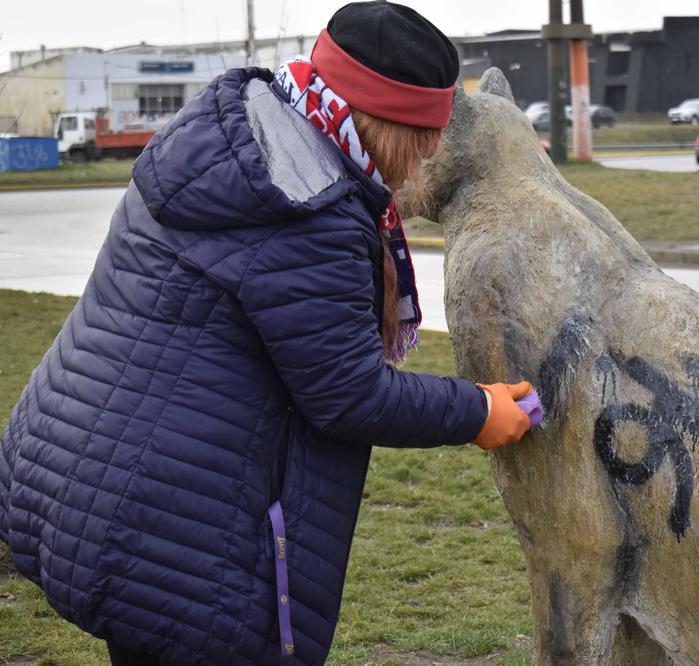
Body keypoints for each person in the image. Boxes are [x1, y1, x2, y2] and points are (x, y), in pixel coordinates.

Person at [0, 2, 539, 664]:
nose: (428, 154)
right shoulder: (306, 208)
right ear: (381, 122)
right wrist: (478, 410)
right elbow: (349, 395)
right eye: (423, 135)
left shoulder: (236, 136)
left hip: (87, 475)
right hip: (170, 525)